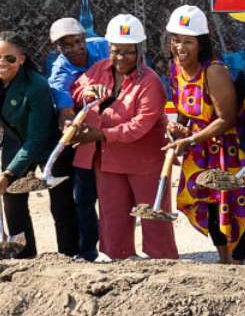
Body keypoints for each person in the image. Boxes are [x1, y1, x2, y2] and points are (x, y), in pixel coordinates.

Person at [70, 14, 177, 261]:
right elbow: (76, 89)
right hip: (108, 161)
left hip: (144, 163)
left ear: (139, 50)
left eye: (128, 52)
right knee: (112, 215)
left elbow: (139, 126)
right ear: (109, 48)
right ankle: (117, 259)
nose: (121, 58)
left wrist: (101, 134)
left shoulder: (150, 82)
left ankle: (162, 263)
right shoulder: (100, 70)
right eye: (116, 51)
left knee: (153, 216)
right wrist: (86, 91)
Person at [161, 6, 245, 265]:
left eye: (188, 42)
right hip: (198, 150)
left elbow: (227, 119)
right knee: (208, 205)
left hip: (225, 149)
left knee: (235, 203)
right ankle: (223, 259)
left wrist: (191, 138)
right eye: (176, 40)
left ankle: (238, 260)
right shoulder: (175, 69)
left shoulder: (213, 71)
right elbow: (182, 110)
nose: (180, 47)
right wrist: (177, 129)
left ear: (201, 44)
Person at [0, 31, 73, 257]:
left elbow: (36, 138)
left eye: (9, 59)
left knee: (61, 206)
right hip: (16, 141)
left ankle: (70, 255)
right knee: (12, 200)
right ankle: (24, 255)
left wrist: (9, 172)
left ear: (21, 59)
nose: (0, 63)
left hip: (47, 144)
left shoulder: (36, 86)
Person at [47, 17, 109, 261]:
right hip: (86, 138)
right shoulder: (60, 71)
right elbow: (65, 111)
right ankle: (88, 253)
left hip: (116, 131)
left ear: (85, 38)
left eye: (77, 41)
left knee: (114, 197)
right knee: (83, 198)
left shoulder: (105, 47)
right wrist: (68, 125)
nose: (74, 48)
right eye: (66, 45)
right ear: (58, 48)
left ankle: (116, 249)